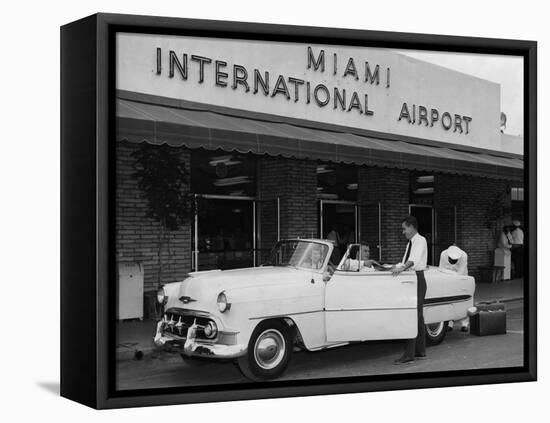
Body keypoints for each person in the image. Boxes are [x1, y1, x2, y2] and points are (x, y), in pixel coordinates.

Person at [391, 215, 428, 365]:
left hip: (417, 279)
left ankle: (409, 354)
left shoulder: (420, 240)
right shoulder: (410, 243)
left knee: (412, 316)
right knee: (418, 316)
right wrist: (395, 266)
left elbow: (413, 260)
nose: (403, 232)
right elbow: (407, 259)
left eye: (404, 228)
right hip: (414, 278)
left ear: (412, 227)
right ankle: (420, 350)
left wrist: (402, 268)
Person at [439, 245, 469, 332]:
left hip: (461, 279)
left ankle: (465, 324)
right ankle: (449, 324)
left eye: (455, 260)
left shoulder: (464, 256)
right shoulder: (443, 254)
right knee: (449, 302)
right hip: (448, 280)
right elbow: (441, 269)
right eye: (451, 260)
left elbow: (460, 273)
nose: (453, 262)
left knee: (463, 302)